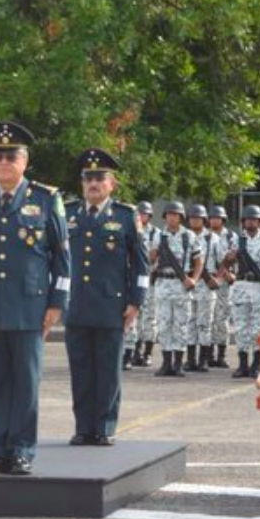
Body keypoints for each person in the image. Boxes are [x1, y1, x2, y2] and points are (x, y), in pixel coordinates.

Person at [0, 122, 70, 475]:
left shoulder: (46, 199)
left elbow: (61, 259)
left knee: (25, 382)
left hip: (29, 306)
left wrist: (55, 305)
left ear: (25, 160)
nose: (4, 162)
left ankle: (21, 450)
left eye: (11, 155)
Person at [63, 149, 148, 446]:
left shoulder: (125, 216)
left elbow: (140, 264)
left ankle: (105, 427)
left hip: (112, 306)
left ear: (112, 183)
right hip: (76, 305)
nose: (93, 184)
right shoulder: (69, 213)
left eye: (100, 178)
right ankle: (84, 427)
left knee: (108, 371)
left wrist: (136, 301)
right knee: (81, 370)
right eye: (88, 178)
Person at [222, 205, 260, 378]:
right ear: (243, 222)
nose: (251, 222)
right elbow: (226, 262)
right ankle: (242, 364)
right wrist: (228, 264)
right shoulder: (237, 240)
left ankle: (257, 364)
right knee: (240, 327)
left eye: (254, 219)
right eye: (248, 219)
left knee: (258, 327)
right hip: (241, 284)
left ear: (259, 221)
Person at [152, 202, 202, 377]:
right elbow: (151, 258)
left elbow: (198, 261)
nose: (172, 217)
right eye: (169, 214)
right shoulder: (158, 235)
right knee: (164, 324)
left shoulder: (189, 236)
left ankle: (178, 363)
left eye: (176, 215)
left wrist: (194, 279)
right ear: (164, 217)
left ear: (181, 217)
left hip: (181, 284)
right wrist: (154, 252)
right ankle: (166, 363)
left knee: (181, 324)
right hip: (163, 283)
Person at [125, 201, 161, 368]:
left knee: (149, 319)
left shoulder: (156, 233)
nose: (141, 216)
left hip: (151, 280)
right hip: (132, 280)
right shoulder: (129, 230)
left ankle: (147, 353)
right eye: (139, 213)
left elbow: (153, 257)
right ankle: (133, 352)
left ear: (149, 216)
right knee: (133, 319)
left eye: (144, 214)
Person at [183, 203, 216, 372]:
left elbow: (223, 262)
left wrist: (216, 279)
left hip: (205, 285)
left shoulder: (213, 238)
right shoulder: (184, 236)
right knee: (189, 322)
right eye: (192, 218)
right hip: (188, 283)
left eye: (198, 218)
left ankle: (203, 359)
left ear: (204, 220)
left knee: (204, 323)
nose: (195, 220)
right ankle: (190, 359)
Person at [207, 205, 236, 368]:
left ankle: (221, 354)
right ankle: (209, 353)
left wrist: (225, 274)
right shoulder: (205, 236)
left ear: (223, 220)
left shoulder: (231, 236)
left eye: (217, 218)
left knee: (222, 319)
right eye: (212, 218)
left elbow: (233, 258)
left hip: (225, 283)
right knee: (209, 318)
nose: (214, 220)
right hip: (209, 281)